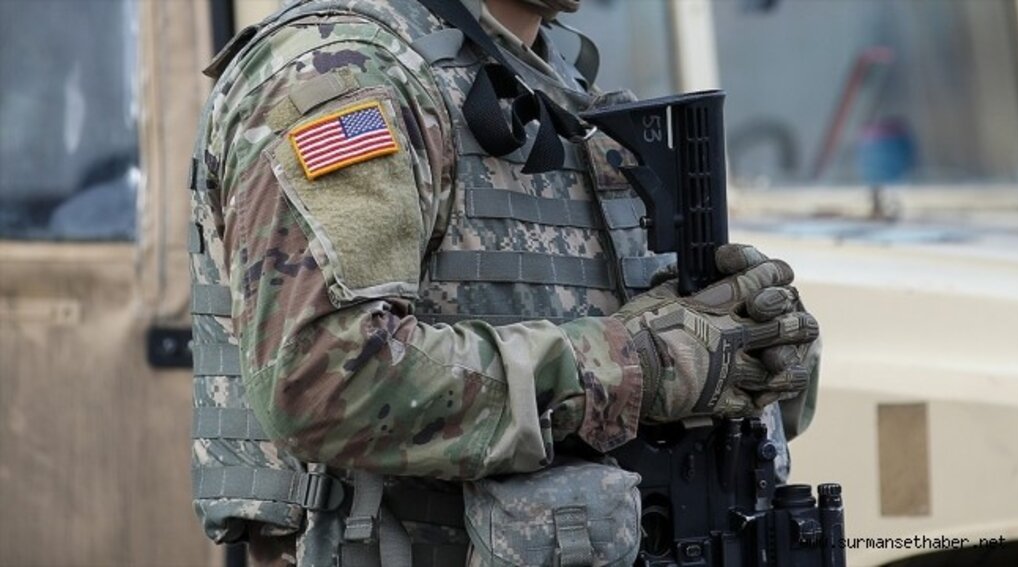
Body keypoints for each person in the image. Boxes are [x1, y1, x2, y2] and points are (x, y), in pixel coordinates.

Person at [188, 0, 821, 565]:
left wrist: (739, 340)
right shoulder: (344, 74)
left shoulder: (546, 78)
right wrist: (632, 366)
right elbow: (324, 378)